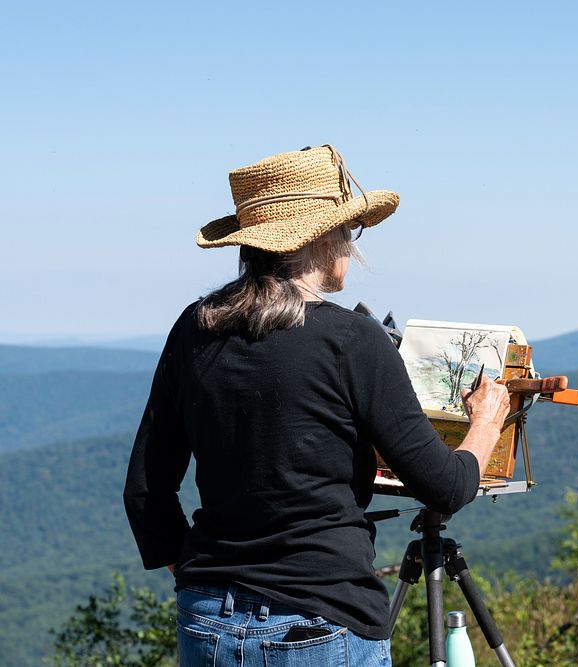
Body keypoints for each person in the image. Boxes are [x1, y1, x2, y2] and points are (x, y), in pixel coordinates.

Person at [123, 145, 510, 667]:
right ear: (322, 238)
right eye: (348, 229)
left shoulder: (196, 328)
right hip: (322, 617)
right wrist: (486, 421)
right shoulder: (353, 339)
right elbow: (446, 486)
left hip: (208, 616)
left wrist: (195, 572)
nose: (351, 244)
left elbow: (147, 488)